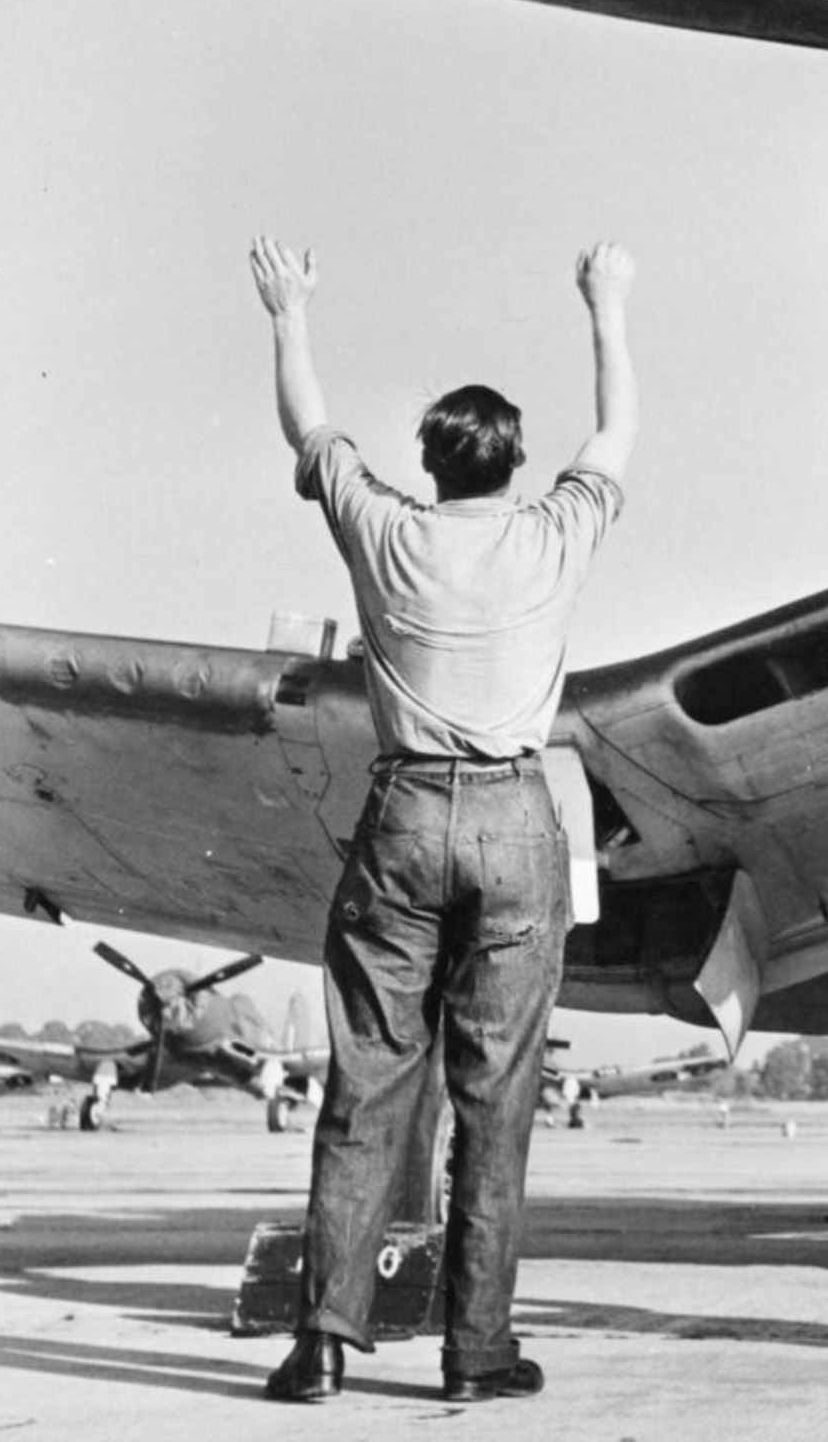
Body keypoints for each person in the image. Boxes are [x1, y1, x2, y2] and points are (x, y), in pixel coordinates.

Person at [248, 236, 638, 1405]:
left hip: (405, 813)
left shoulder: (386, 531)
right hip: (521, 819)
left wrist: (289, 313)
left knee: (368, 1082)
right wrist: (605, 304)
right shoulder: (554, 531)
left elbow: (308, 430)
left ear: (428, 463)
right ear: (516, 465)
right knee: (497, 1098)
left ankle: (324, 1335)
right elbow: (617, 436)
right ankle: (475, 1353)